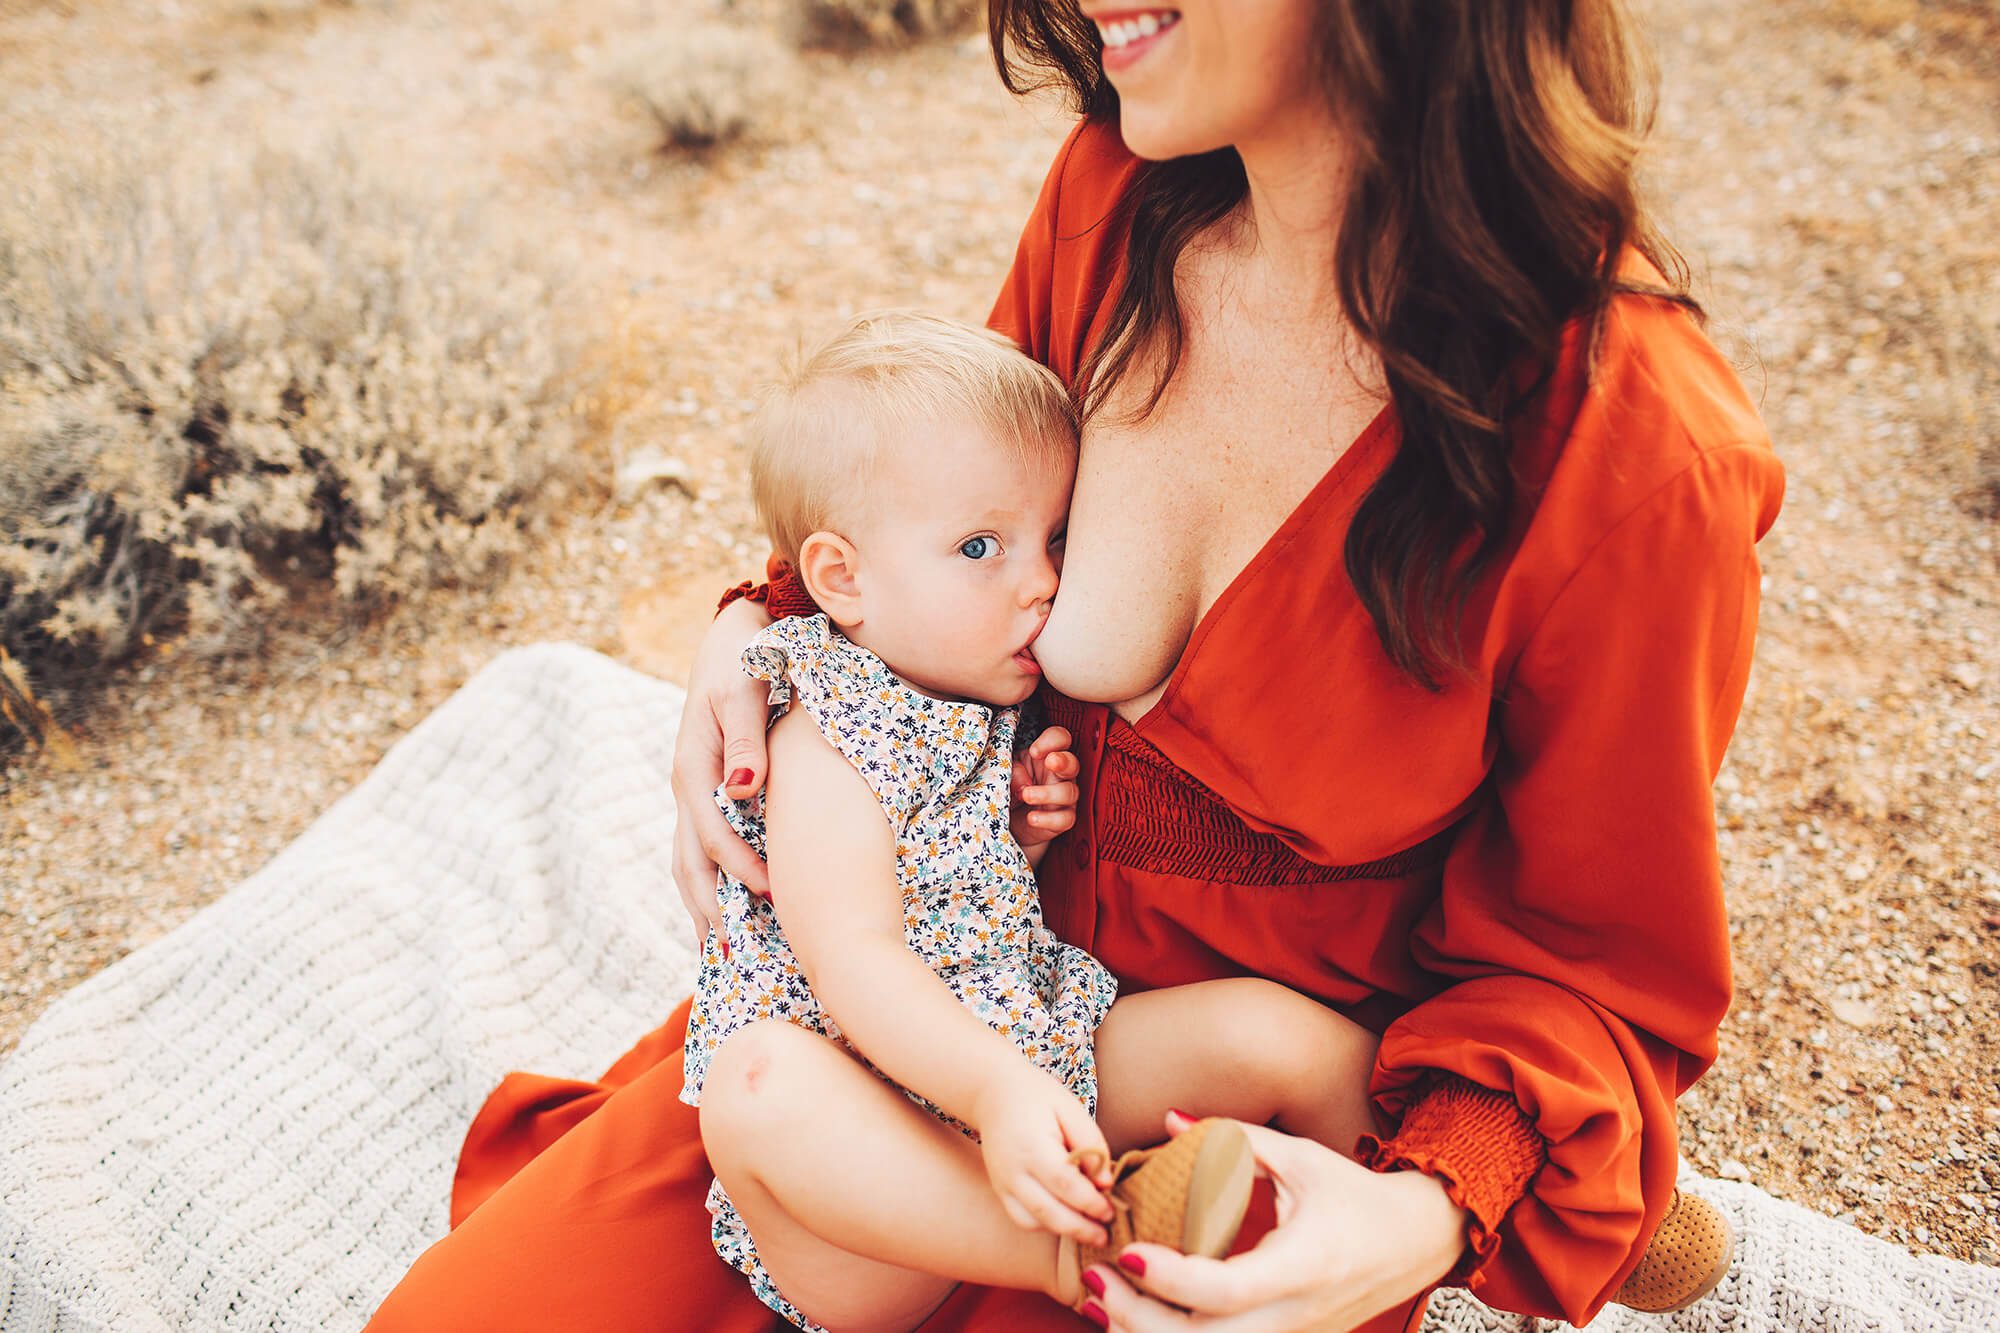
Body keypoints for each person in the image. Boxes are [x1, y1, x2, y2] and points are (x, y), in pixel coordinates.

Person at [368, 0, 1784, 1326]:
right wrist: (756, 631)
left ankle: (1563, 1190)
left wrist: (1425, 1212)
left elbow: (1593, 964)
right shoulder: (1120, 197)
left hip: (1230, 1117)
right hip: (933, 997)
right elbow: (927, 514)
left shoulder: (1636, 461)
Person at [683, 309, 1385, 1330]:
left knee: (1284, 1038)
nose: (1044, 580)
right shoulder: (820, 738)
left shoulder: (962, 696)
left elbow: (942, 893)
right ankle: (1082, 1253)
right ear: (841, 580)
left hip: (1030, 1047)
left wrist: (1017, 837)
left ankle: (1405, 1230)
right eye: (982, 546)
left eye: (1055, 538)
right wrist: (997, 1095)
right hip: (877, 1184)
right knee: (757, 1083)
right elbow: (855, 958)